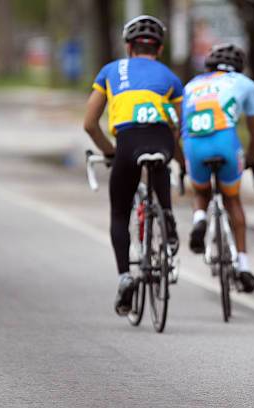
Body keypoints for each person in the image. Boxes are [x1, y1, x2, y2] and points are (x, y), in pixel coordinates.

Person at [83, 15, 183, 316]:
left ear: (129, 47)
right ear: (160, 49)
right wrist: (176, 155)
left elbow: (89, 123)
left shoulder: (110, 71)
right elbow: (179, 127)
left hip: (127, 141)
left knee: (119, 212)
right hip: (162, 138)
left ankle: (125, 276)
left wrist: (110, 151)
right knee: (160, 165)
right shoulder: (171, 77)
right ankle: (167, 216)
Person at [181, 43, 254, 293]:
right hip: (226, 143)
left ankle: (200, 218)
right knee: (232, 199)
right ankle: (243, 266)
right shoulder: (245, 83)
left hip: (193, 143)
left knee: (201, 192)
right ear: (238, 67)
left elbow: (178, 127)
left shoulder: (191, 85)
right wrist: (249, 157)